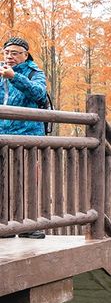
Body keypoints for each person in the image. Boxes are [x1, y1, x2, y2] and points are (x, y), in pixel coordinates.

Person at [1, 37, 49, 238]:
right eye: (6, 53)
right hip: (3, 137)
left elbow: (39, 94)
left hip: (27, 138)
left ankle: (28, 225)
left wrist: (15, 77)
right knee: (4, 182)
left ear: (25, 55)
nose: (9, 56)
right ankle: (6, 226)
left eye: (14, 53)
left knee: (26, 182)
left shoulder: (33, 73)